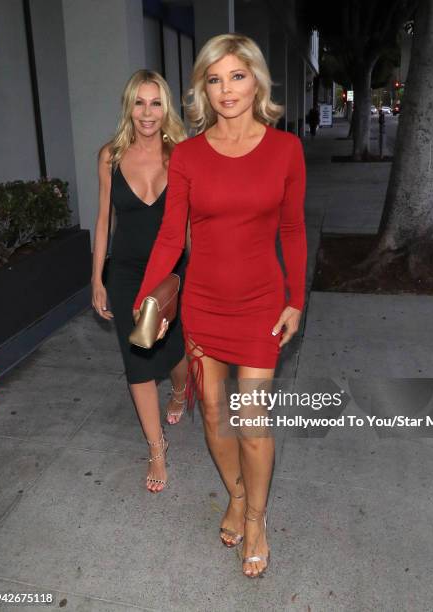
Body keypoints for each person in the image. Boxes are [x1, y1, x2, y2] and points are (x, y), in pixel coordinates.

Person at [133, 34, 307, 577]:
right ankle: (234, 494)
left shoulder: (285, 150)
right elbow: (169, 237)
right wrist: (147, 294)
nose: (227, 89)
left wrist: (295, 300)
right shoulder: (185, 155)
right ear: (202, 89)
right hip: (204, 307)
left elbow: (294, 230)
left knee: (251, 420)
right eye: (215, 78)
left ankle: (256, 518)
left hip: (260, 308)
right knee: (212, 411)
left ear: (256, 80)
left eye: (237, 75)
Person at [92, 70, 188, 494]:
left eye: (155, 103)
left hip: (172, 270)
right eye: (139, 102)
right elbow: (103, 221)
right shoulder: (110, 156)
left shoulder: (181, 155)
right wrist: (97, 277)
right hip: (128, 271)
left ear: (165, 108)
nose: (147, 113)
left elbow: (193, 224)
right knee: (137, 358)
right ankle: (156, 447)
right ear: (128, 106)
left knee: (175, 350)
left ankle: (182, 391)